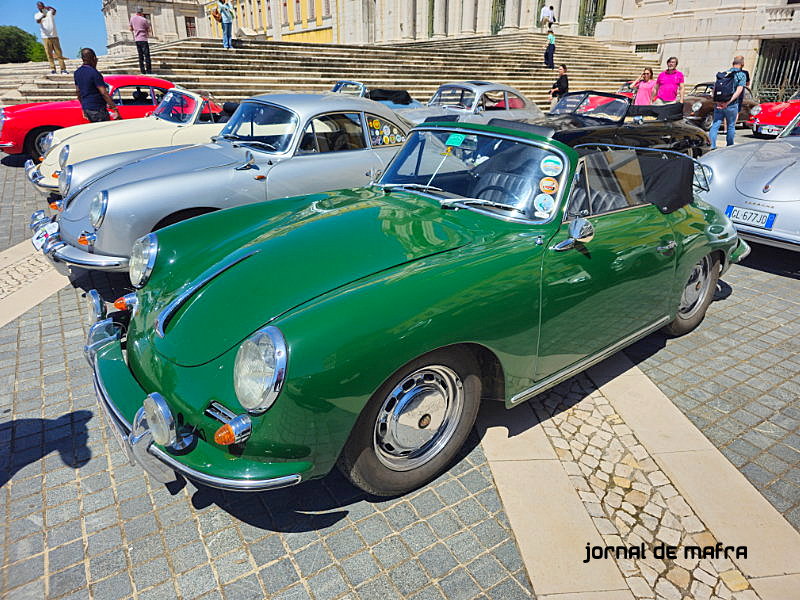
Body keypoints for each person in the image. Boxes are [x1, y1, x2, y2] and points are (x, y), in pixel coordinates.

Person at [709, 57, 747, 149]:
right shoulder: (741, 75)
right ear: (742, 64)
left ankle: (712, 145)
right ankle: (729, 146)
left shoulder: (724, 74)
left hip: (719, 103)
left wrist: (718, 102)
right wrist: (728, 102)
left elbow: (715, 90)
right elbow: (739, 90)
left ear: (732, 63)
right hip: (731, 105)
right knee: (731, 126)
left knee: (715, 125)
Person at [74, 48, 120, 123]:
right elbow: (104, 93)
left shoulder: (77, 72)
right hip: (98, 109)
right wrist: (115, 109)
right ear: (94, 58)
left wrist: (84, 108)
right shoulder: (94, 73)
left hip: (87, 108)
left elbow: (78, 91)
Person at [34, 2, 67, 74]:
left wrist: (50, 8)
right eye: (39, 6)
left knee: (59, 53)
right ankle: (53, 69)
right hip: (45, 36)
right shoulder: (37, 15)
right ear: (37, 7)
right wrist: (43, 15)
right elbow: (38, 21)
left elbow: (55, 11)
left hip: (54, 35)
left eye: (42, 5)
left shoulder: (49, 12)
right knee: (49, 54)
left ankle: (63, 69)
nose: (41, 7)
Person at [129, 7, 151, 74]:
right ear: (141, 12)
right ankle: (148, 70)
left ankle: (142, 70)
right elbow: (148, 29)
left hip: (137, 39)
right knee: (146, 55)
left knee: (140, 55)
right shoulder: (144, 19)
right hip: (143, 39)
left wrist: (136, 29)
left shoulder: (132, 19)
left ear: (136, 12)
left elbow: (130, 28)